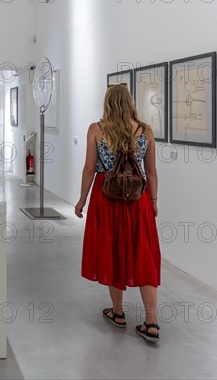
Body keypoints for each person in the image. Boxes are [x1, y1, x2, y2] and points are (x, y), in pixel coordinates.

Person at [75, 84, 162, 342]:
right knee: (143, 254)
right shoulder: (145, 130)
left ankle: (118, 312)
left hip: (107, 199)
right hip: (139, 201)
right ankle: (152, 322)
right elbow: (152, 171)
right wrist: (154, 201)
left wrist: (82, 200)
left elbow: (90, 169)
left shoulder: (97, 130)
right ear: (130, 102)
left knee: (112, 251)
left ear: (108, 103)